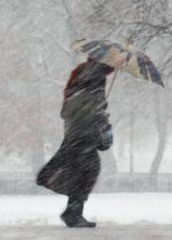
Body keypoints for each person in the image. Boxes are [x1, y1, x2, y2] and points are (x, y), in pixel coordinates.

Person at [37, 58, 115, 228]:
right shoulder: (95, 76)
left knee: (82, 172)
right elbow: (90, 104)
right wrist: (99, 111)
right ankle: (72, 213)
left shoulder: (83, 74)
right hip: (83, 132)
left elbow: (72, 106)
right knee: (86, 172)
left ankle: (73, 212)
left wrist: (99, 108)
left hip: (76, 131)